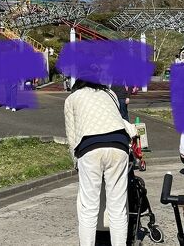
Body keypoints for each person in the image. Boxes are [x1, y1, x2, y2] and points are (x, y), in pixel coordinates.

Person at [64, 79, 138, 246]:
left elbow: (71, 135)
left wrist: (75, 160)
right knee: (118, 209)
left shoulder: (72, 98)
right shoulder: (110, 93)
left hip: (90, 148)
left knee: (88, 208)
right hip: (119, 146)